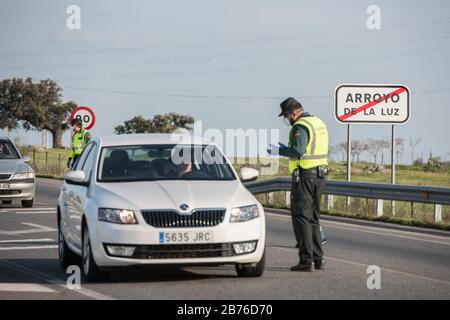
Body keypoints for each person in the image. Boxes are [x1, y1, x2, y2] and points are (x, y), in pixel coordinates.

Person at [268, 97, 329, 272]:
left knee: (302, 217)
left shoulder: (300, 126)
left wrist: (279, 150)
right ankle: (318, 259)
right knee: (314, 218)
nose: (287, 119)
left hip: (305, 176)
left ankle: (305, 260)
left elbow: (298, 151)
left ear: (294, 113)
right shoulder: (318, 122)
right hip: (320, 175)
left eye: (287, 115)